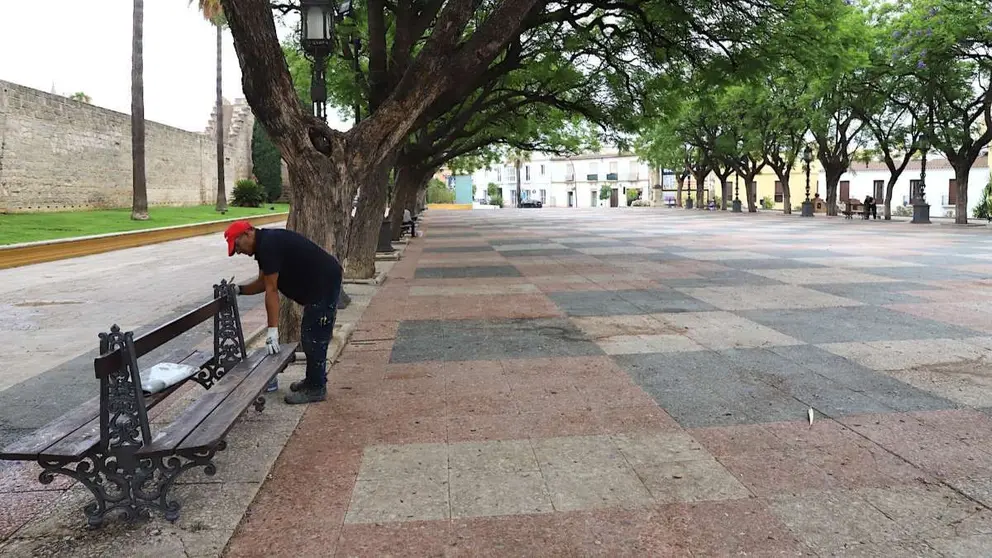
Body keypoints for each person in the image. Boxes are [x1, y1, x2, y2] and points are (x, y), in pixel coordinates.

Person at [224, 221, 342, 404]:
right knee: (310, 334)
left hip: (325, 283)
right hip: (321, 283)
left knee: (314, 336)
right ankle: (312, 380)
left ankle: (317, 387)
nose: (238, 252)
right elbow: (264, 283)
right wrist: (240, 290)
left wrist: (272, 331)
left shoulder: (268, 245)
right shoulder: (265, 245)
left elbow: (271, 290)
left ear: (248, 233)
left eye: (237, 246)